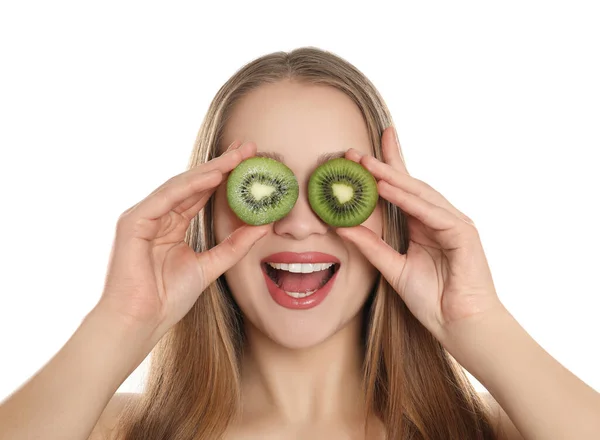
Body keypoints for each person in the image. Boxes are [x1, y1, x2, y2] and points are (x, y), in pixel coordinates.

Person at [1, 47, 599, 440]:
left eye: (338, 185)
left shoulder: (502, 430)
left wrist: (481, 323)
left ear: (393, 214)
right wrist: (120, 320)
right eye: (265, 186)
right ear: (206, 214)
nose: (301, 224)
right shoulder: (112, 431)